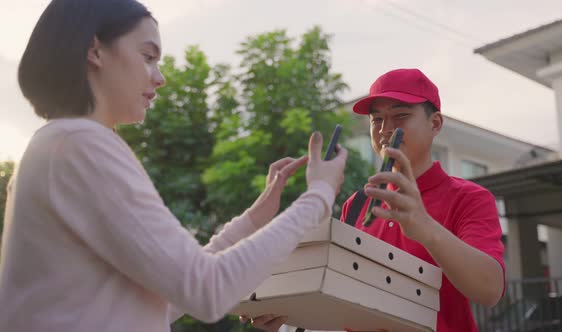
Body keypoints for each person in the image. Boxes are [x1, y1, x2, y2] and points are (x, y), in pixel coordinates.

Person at [0, 1, 347, 331]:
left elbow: (167, 300)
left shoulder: (56, 145)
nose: (160, 77)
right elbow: (209, 290)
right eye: (148, 56)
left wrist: (254, 219)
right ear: (95, 51)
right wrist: (318, 196)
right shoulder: (80, 144)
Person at [248, 69, 505, 332]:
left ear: (435, 123)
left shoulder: (469, 198)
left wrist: (426, 227)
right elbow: (343, 297)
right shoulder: (357, 203)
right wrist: (286, 315)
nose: (386, 130)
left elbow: (490, 290)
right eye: (377, 119)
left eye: (400, 116)